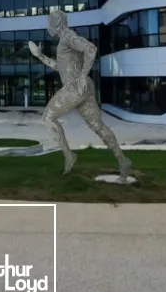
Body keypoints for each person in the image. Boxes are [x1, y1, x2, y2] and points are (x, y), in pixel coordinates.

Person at [28, 10, 133, 182]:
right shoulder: (64, 41)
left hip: (76, 87)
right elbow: (59, 67)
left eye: (49, 23)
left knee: (47, 118)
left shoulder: (68, 36)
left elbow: (91, 49)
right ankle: (122, 160)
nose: (47, 28)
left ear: (58, 23)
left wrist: (83, 75)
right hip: (84, 87)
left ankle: (69, 156)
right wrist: (40, 56)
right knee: (98, 127)